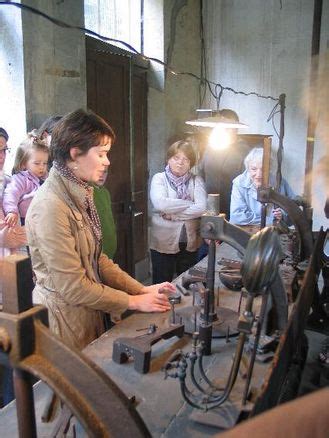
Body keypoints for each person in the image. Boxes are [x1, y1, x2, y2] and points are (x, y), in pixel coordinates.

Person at [25, 108, 173, 350]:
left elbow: (97, 258)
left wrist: (141, 289)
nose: (107, 162)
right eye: (102, 154)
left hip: (87, 313)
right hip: (65, 323)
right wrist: (134, 302)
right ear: (75, 155)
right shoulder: (50, 206)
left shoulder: (80, 190)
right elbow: (73, 287)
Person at [149, 140, 207, 283]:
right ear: (169, 159)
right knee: (162, 283)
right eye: (176, 158)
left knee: (187, 283)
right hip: (163, 240)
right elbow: (161, 203)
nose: (180, 163)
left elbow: (202, 208)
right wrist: (190, 204)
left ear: (191, 163)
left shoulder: (196, 180)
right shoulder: (159, 178)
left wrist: (173, 215)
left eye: (186, 159)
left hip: (190, 241)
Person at [198, 109, 250, 219]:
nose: (223, 131)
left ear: (236, 128)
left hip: (233, 207)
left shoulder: (244, 151)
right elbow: (201, 173)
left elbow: (247, 183)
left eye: (228, 128)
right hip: (210, 205)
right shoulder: (211, 146)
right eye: (220, 127)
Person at [230, 147, 295, 226]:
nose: (259, 174)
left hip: (273, 232)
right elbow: (237, 217)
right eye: (254, 169)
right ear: (248, 168)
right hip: (244, 232)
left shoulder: (280, 183)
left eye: (263, 169)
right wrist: (271, 220)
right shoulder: (239, 183)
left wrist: (283, 215)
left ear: (270, 168)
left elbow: (293, 212)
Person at [93, 169, 117, 259]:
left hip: (110, 247)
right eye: (99, 171)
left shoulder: (105, 192)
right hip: (97, 250)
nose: (102, 175)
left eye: (105, 172)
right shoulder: (87, 192)